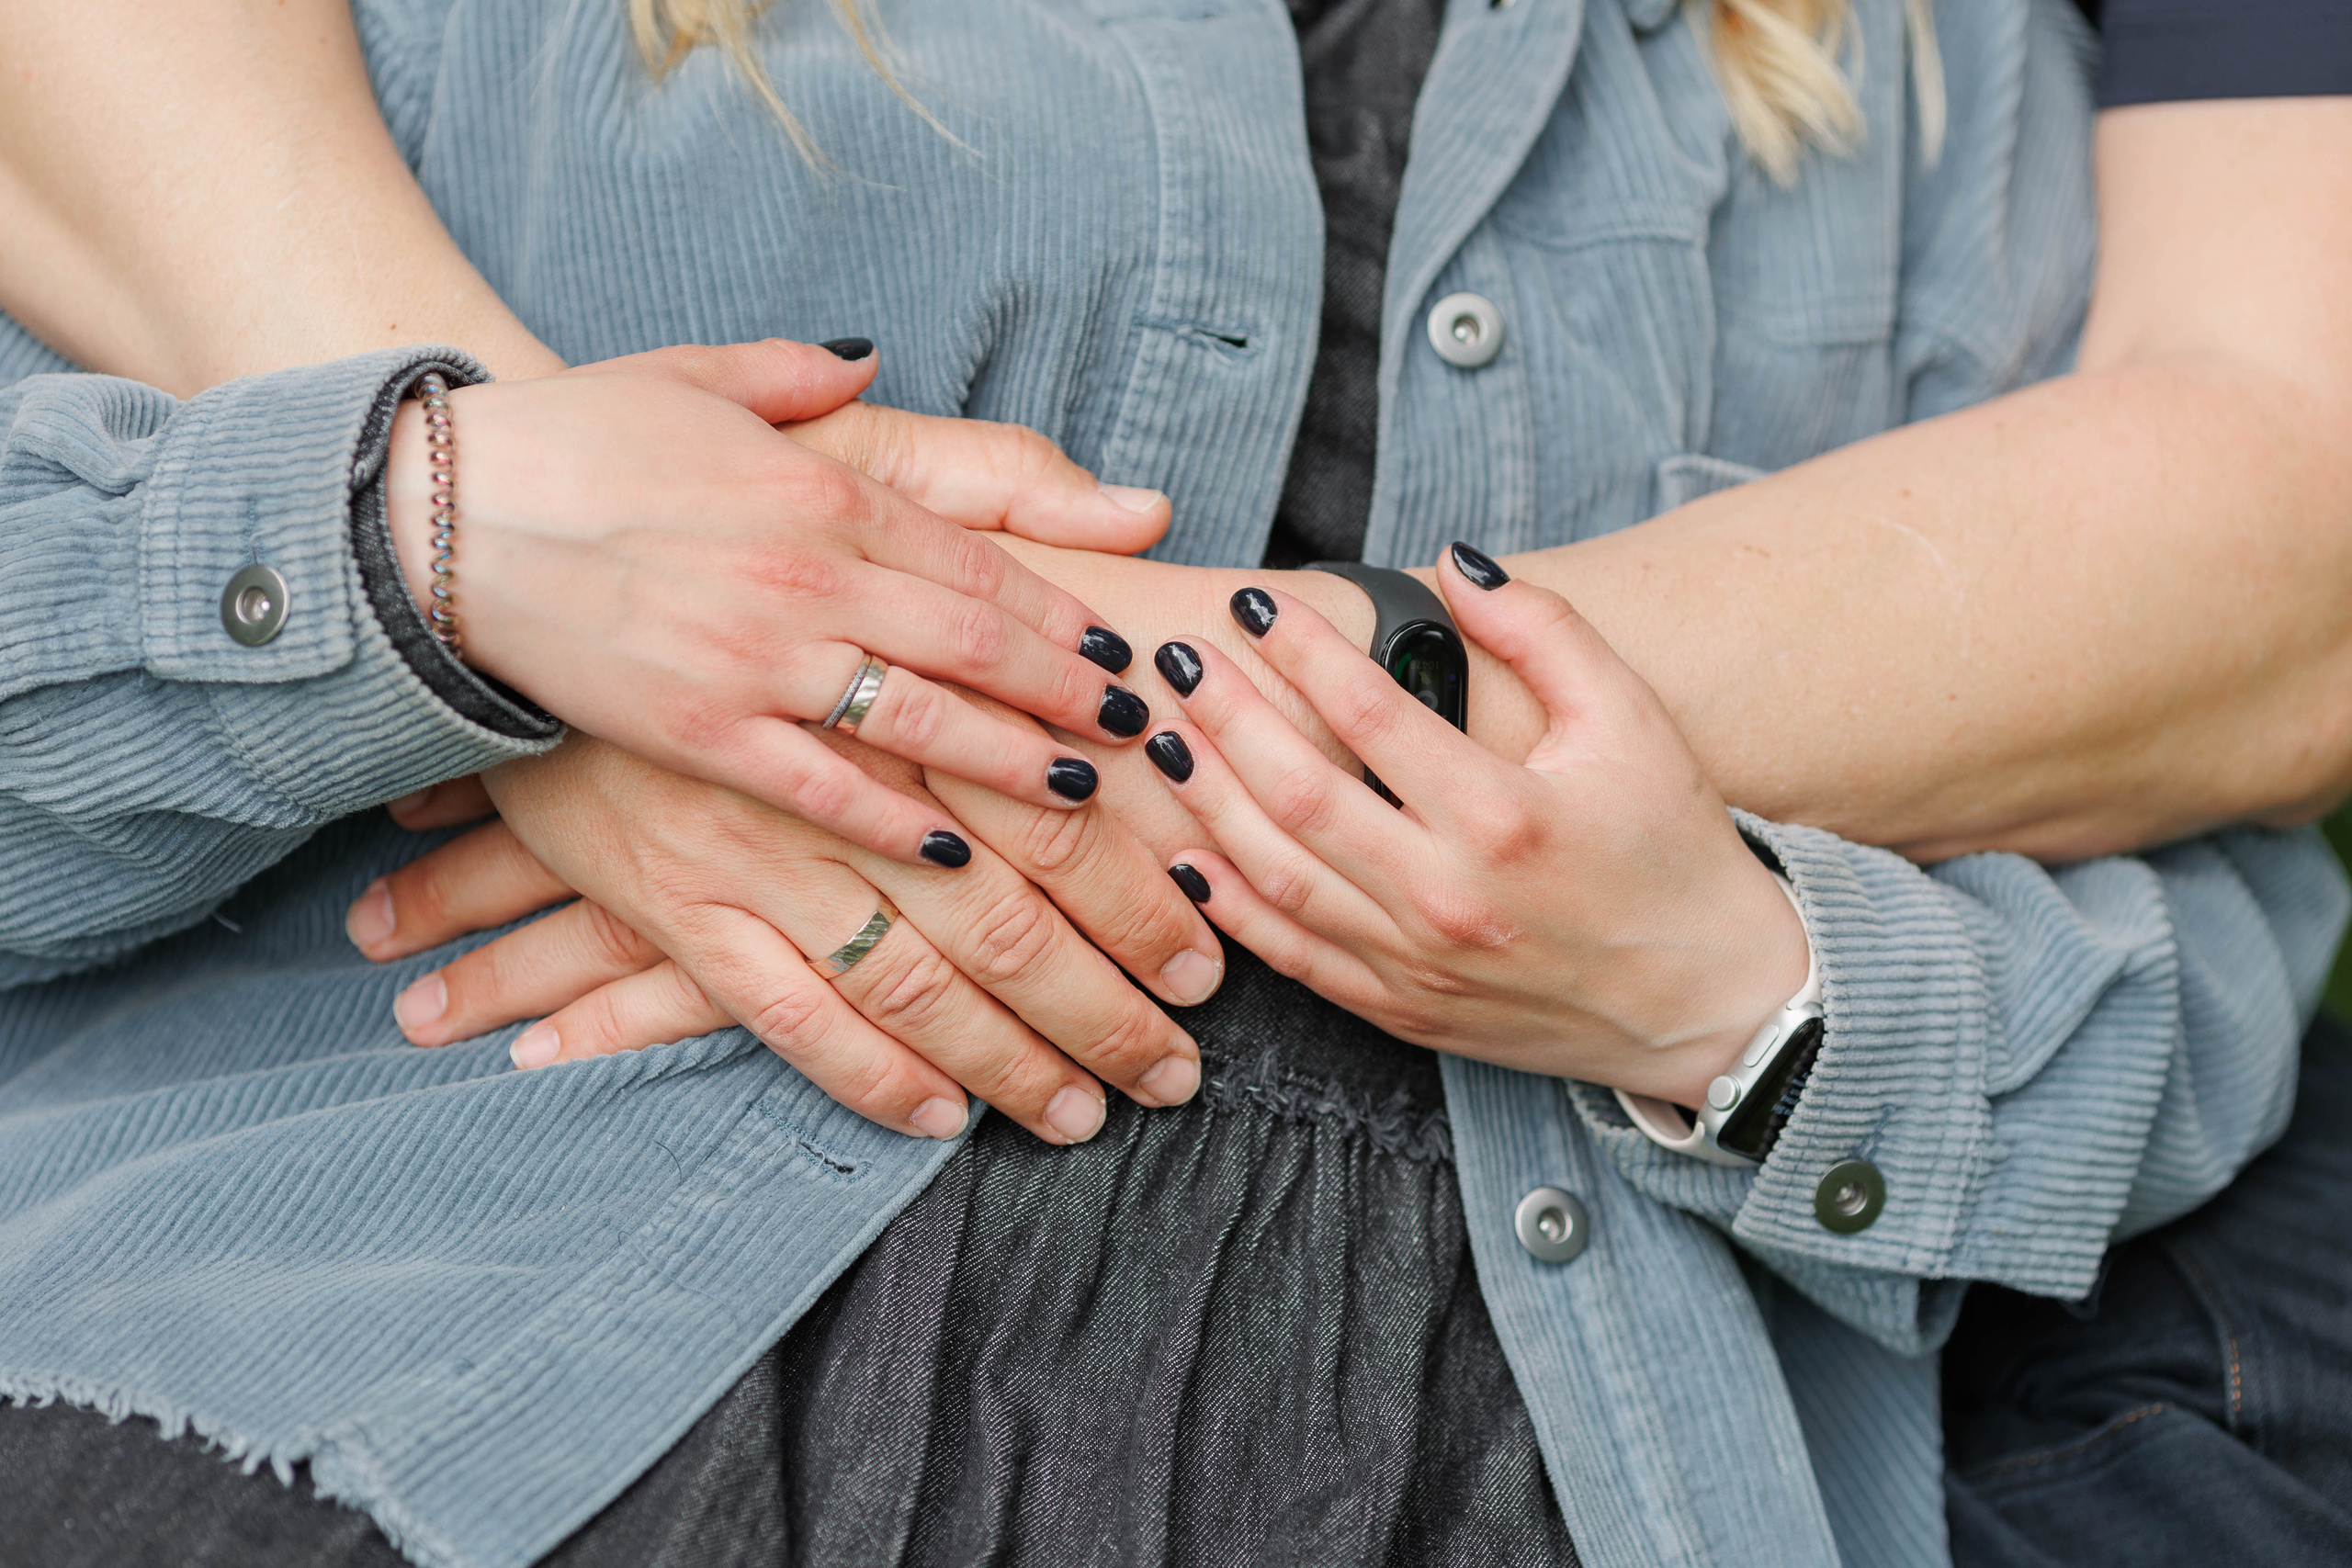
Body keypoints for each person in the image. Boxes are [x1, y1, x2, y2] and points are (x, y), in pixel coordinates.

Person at [0, 3, 2348, 1567]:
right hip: (353, 1383)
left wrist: (1727, 983)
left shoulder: (1949, 117)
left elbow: (2198, 801)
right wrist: (449, 545)